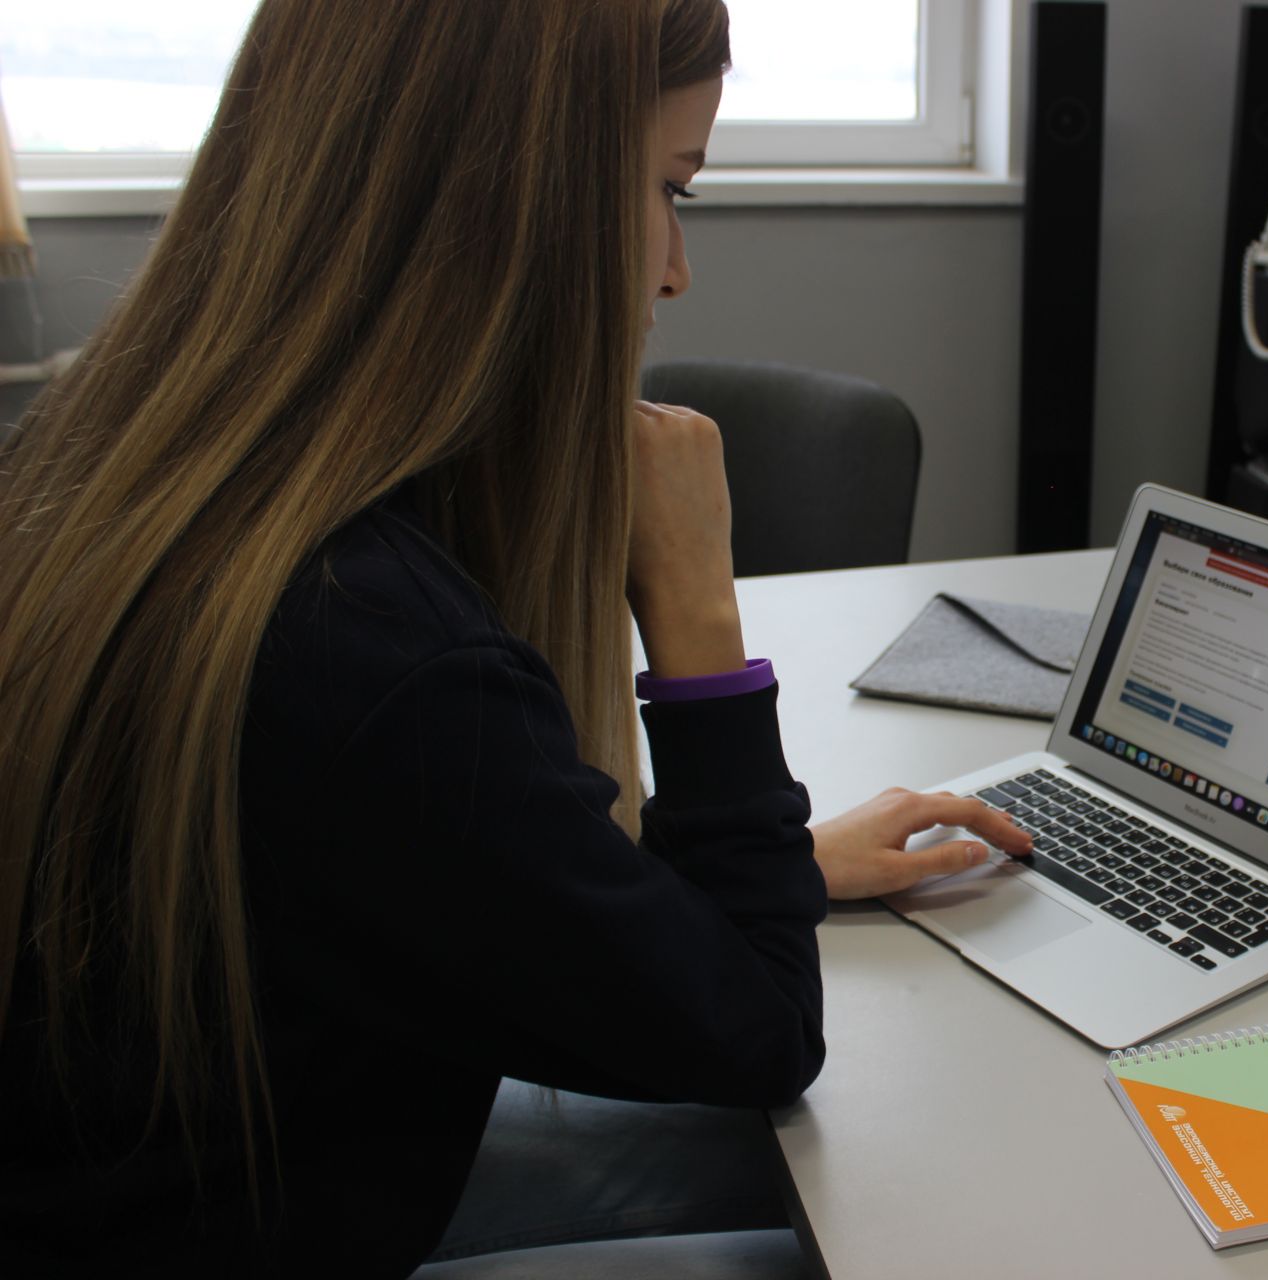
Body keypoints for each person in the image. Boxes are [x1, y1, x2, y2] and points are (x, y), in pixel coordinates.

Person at [0, 1, 1028, 1274]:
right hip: (259, 1217)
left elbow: (451, 868)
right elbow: (765, 1030)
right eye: (669, 190)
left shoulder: (120, 468)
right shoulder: (379, 655)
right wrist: (696, 607)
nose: (673, 271)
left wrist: (771, 868)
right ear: (520, 204)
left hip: (198, 1176)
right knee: (858, 1221)